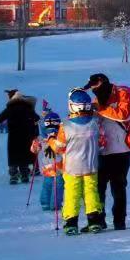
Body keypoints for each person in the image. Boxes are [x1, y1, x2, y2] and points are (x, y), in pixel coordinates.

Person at [85, 73, 130, 231]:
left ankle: (119, 221)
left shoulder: (122, 93)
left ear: (101, 82)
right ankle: (99, 220)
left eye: (94, 86)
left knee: (118, 187)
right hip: (101, 151)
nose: (93, 90)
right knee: (98, 188)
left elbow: (124, 115)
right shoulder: (96, 100)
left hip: (120, 149)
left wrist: (101, 111)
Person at [50, 90, 107, 234]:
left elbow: (59, 147)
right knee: (91, 192)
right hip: (91, 166)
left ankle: (71, 223)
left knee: (71, 193)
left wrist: (51, 140)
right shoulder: (95, 124)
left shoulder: (66, 126)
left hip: (72, 168)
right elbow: (102, 144)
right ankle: (94, 221)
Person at [0, 90, 40, 184]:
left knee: (13, 155)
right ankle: (24, 176)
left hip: (13, 136)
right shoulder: (27, 108)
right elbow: (37, 118)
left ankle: (14, 176)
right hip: (25, 136)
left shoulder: (10, 108)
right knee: (24, 155)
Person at [32, 110, 64, 213]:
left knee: (47, 184)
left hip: (46, 167)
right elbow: (63, 148)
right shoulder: (59, 138)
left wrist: (35, 146)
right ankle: (55, 204)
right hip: (58, 166)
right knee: (58, 185)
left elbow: (34, 150)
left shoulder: (41, 138)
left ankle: (45, 202)